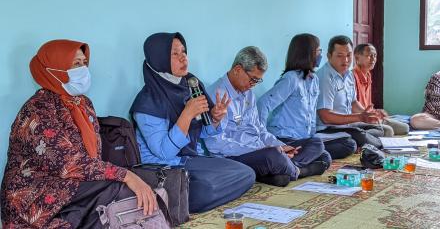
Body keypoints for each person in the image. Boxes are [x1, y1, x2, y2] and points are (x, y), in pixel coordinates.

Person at [1, 40, 157, 228]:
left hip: (72, 188)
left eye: (84, 63)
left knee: (120, 193)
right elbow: (68, 164)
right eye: (76, 64)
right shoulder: (37, 110)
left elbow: (92, 158)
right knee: (117, 190)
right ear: (53, 69)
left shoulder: (83, 105)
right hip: (35, 196)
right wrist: (127, 176)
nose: (83, 69)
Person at [130, 32, 255, 213]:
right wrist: (187, 114)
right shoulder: (147, 102)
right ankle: (181, 195)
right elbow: (164, 152)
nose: (183, 58)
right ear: (159, 58)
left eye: (184, 52)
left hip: (188, 160)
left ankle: (185, 195)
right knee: (206, 188)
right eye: (175, 54)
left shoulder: (190, 84)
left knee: (246, 173)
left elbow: (203, 132)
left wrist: (214, 118)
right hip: (163, 168)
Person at [205, 46, 328, 188]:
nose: (253, 85)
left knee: (317, 145)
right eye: (252, 79)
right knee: (273, 157)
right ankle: (299, 171)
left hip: (261, 149)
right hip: (236, 156)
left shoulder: (248, 93)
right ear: (238, 70)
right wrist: (260, 150)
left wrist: (280, 146)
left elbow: (259, 130)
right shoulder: (216, 95)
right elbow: (216, 145)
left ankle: (281, 169)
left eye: (257, 81)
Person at [258, 33, 355, 160]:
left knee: (335, 151)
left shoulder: (313, 79)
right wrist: (263, 137)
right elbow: (263, 104)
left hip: (305, 139)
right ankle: (287, 161)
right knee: (318, 147)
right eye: (318, 51)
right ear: (307, 54)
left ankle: (290, 166)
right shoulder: (291, 78)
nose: (320, 55)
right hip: (285, 138)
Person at [316, 35, 384, 152]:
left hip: (347, 125)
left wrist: (366, 114)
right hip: (328, 128)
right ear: (329, 56)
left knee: (380, 129)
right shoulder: (325, 77)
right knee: (358, 137)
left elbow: (353, 102)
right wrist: (358, 117)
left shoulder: (348, 74)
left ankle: (365, 142)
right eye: (340, 56)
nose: (346, 60)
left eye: (348, 55)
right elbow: (325, 117)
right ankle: (368, 143)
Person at [353, 43, 409, 136]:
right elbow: (353, 107)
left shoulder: (368, 75)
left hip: (371, 117)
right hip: (361, 119)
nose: (373, 59)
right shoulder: (352, 77)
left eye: (374, 56)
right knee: (388, 131)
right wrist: (371, 115)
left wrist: (377, 112)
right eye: (369, 55)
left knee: (405, 128)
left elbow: (366, 105)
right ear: (357, 58)